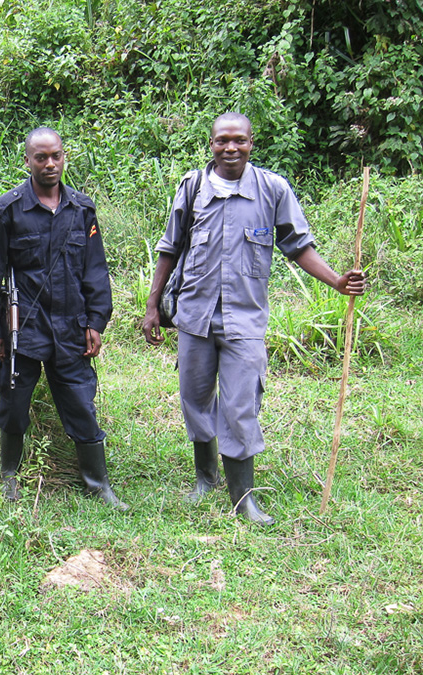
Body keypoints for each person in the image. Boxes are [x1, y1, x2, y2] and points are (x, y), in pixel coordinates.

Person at [142, 112, 366, 525]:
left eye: (239, 141)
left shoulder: (272, 190)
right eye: (222, 141)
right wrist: (153, 306)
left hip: (244, 322)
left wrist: (337, 281)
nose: (231, 148)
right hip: (194, 317)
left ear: (251, 143)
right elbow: (169, 249)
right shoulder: (193, 188)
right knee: (194, 399)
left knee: (241, 406)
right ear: (210, 144)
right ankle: (204, 478)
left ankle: (242, 497)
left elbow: (298, 246)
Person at [0, 127, 126, 511]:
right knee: (14, 405)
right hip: (23, 329)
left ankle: (97, 485)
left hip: (71, 327)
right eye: (41, 157)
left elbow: (95, 270)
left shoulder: (82, 209)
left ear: (64, 157)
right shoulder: (6, 211)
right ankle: (9, 477)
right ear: (27, 160)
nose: (50, 164)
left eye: (56, 156)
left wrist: (96, 322)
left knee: (81, 403)